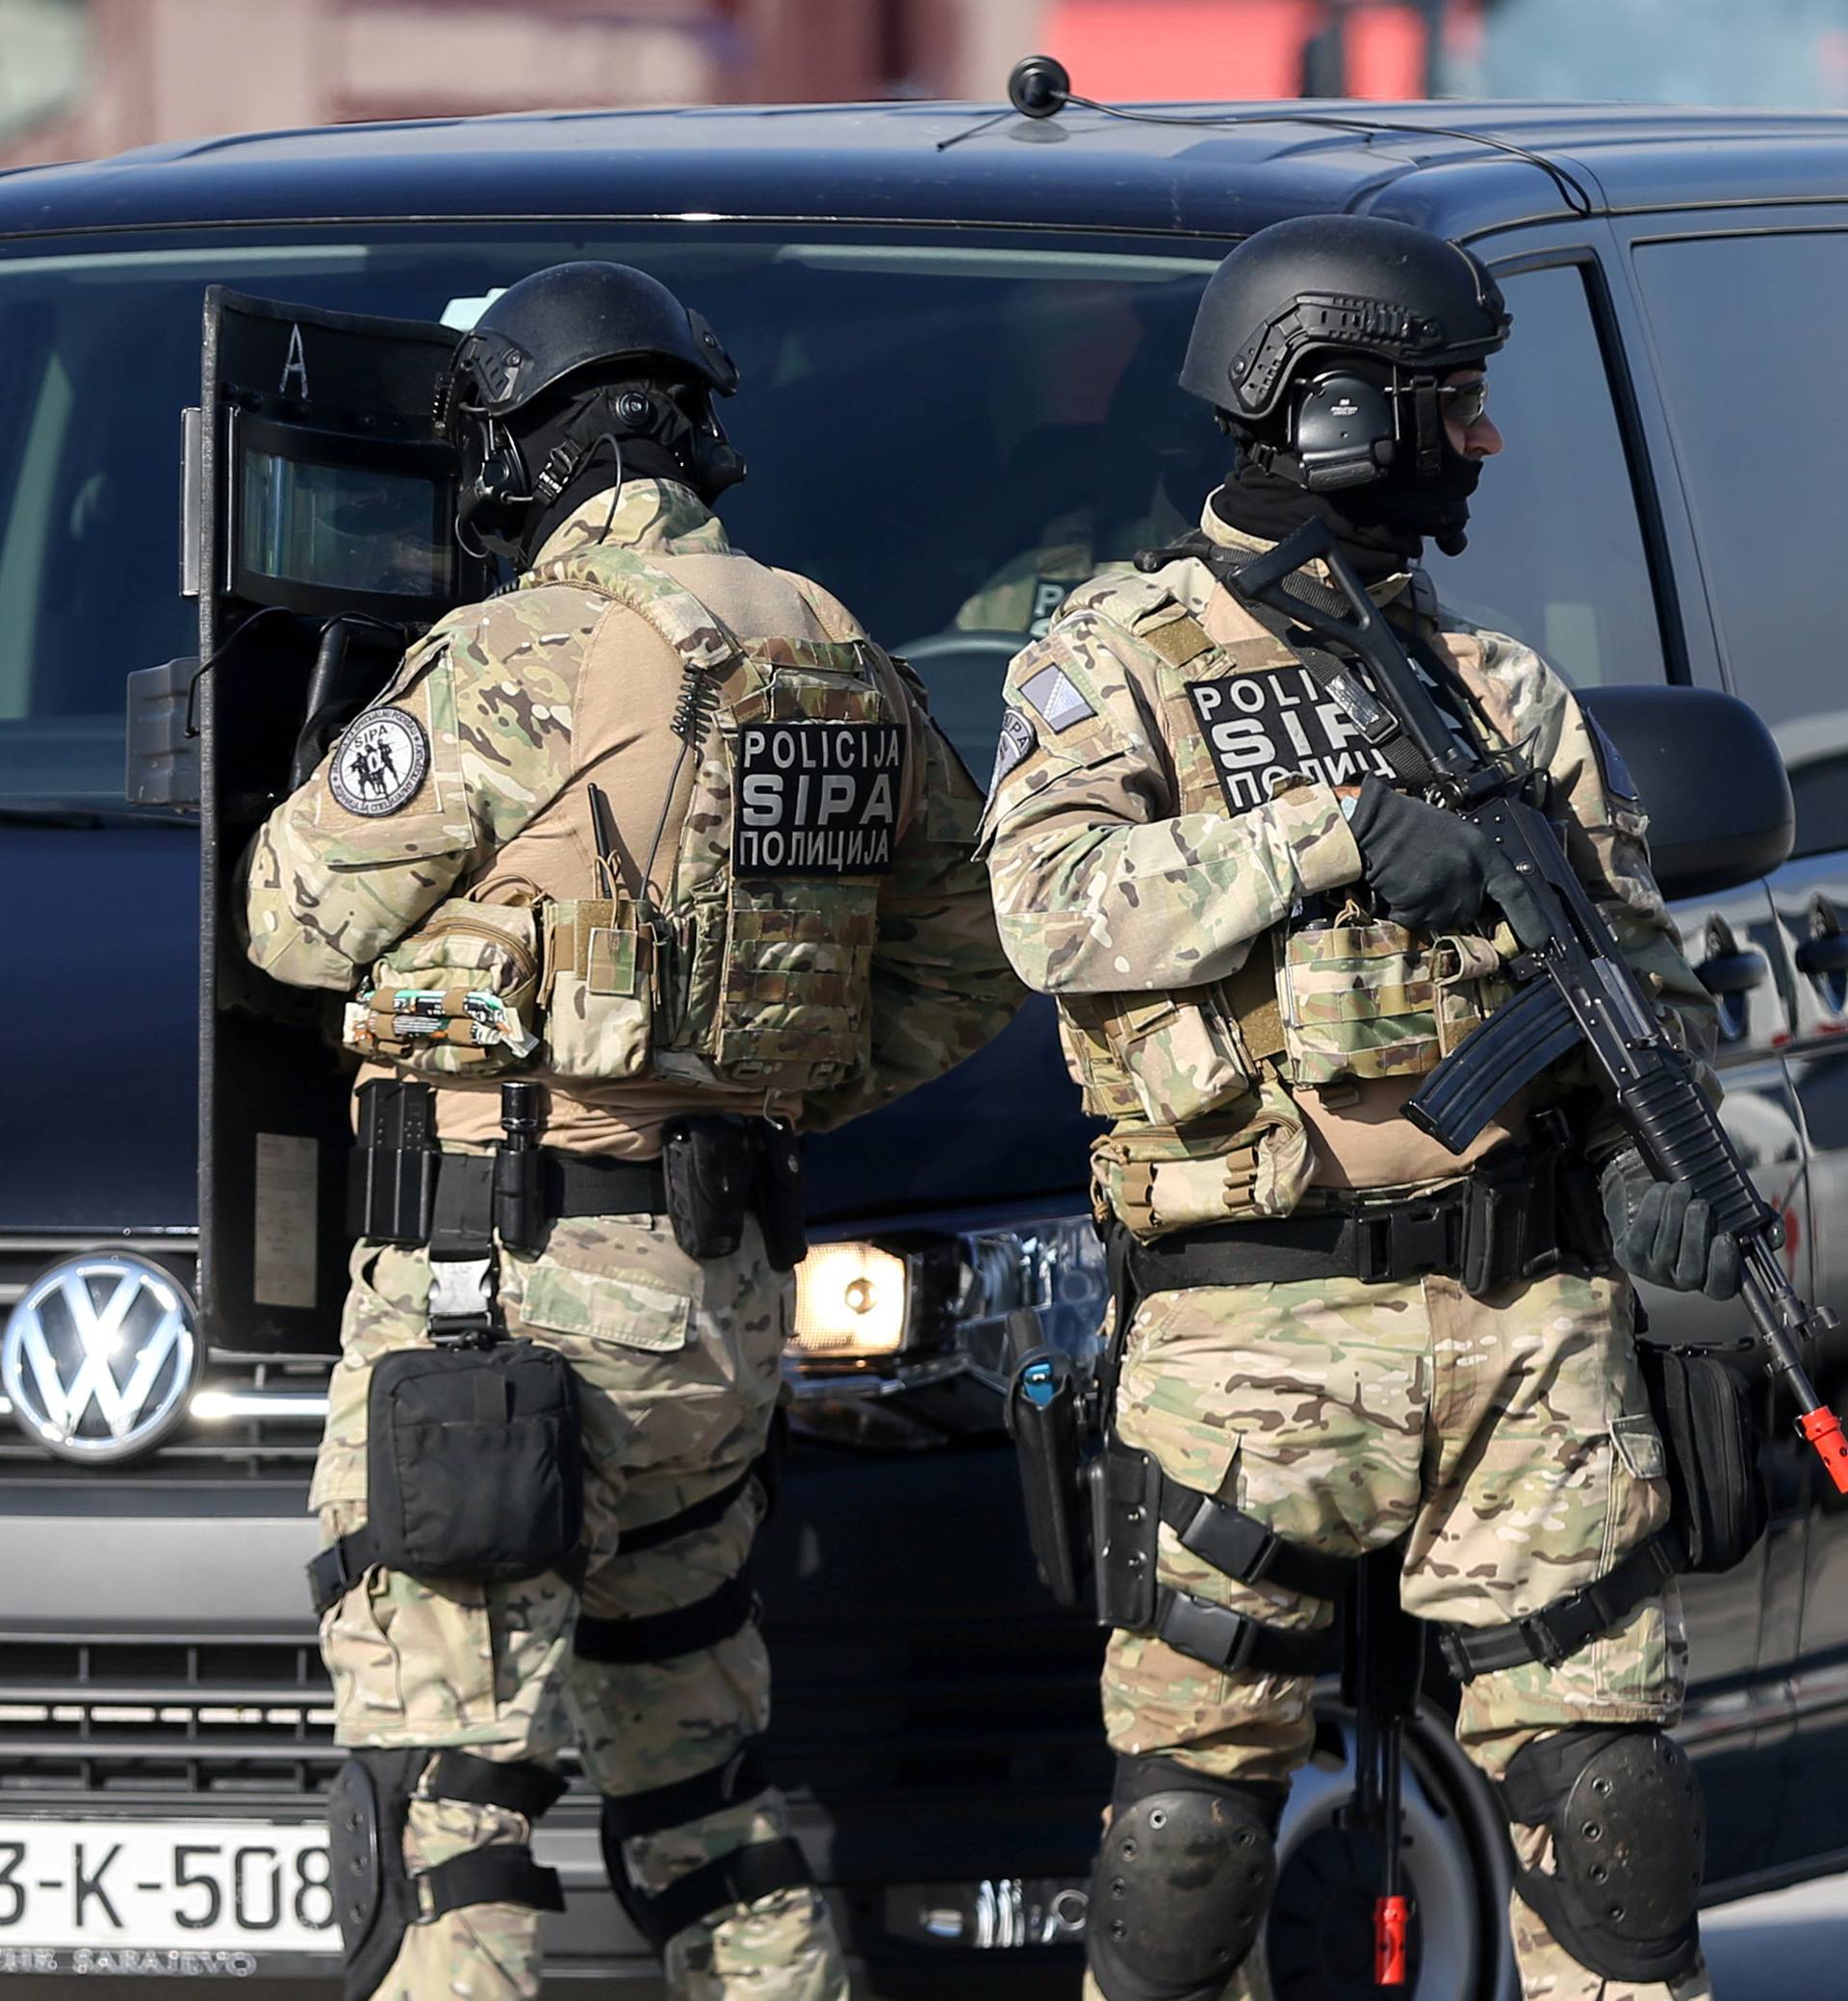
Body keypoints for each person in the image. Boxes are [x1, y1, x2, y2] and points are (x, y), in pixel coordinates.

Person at [244, 260, 1020, 2001]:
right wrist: (762, 1086)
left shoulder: (512, 655)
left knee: (447, 1816)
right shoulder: (834, 644)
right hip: (713, 1299)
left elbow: (289, 916)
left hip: (493, 1296)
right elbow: (973, 968)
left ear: (526, 454)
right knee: (701, 1788)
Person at [980, 214, 1734, 2001]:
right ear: (1326, 415)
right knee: (1186, 1847)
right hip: (1249, 1328)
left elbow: (1651, 977)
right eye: (1448, 404)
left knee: (1611, 1823)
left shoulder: (1499, 693)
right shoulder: (1121, 660)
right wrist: (1318, 838)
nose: (1481, 442)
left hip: (1522, 1326)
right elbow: (1048, 903)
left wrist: (1664, 1157)